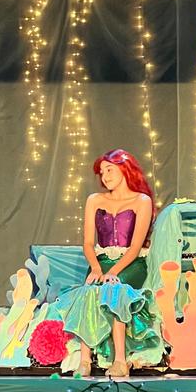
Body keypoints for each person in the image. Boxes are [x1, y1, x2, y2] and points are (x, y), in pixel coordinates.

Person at [53, 148, 161, 377]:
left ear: (124, 168)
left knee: (114, 288)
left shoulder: (141, 201)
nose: (105, 176)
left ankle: (120, 360)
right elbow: (88, 243)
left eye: (109, 170)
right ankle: (84, 360)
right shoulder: (95, 200)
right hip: (101, 260)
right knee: (88, 290)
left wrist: (113, 271)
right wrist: (95, 267)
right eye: (102, 173)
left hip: (130, 263)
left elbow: (135, 247)